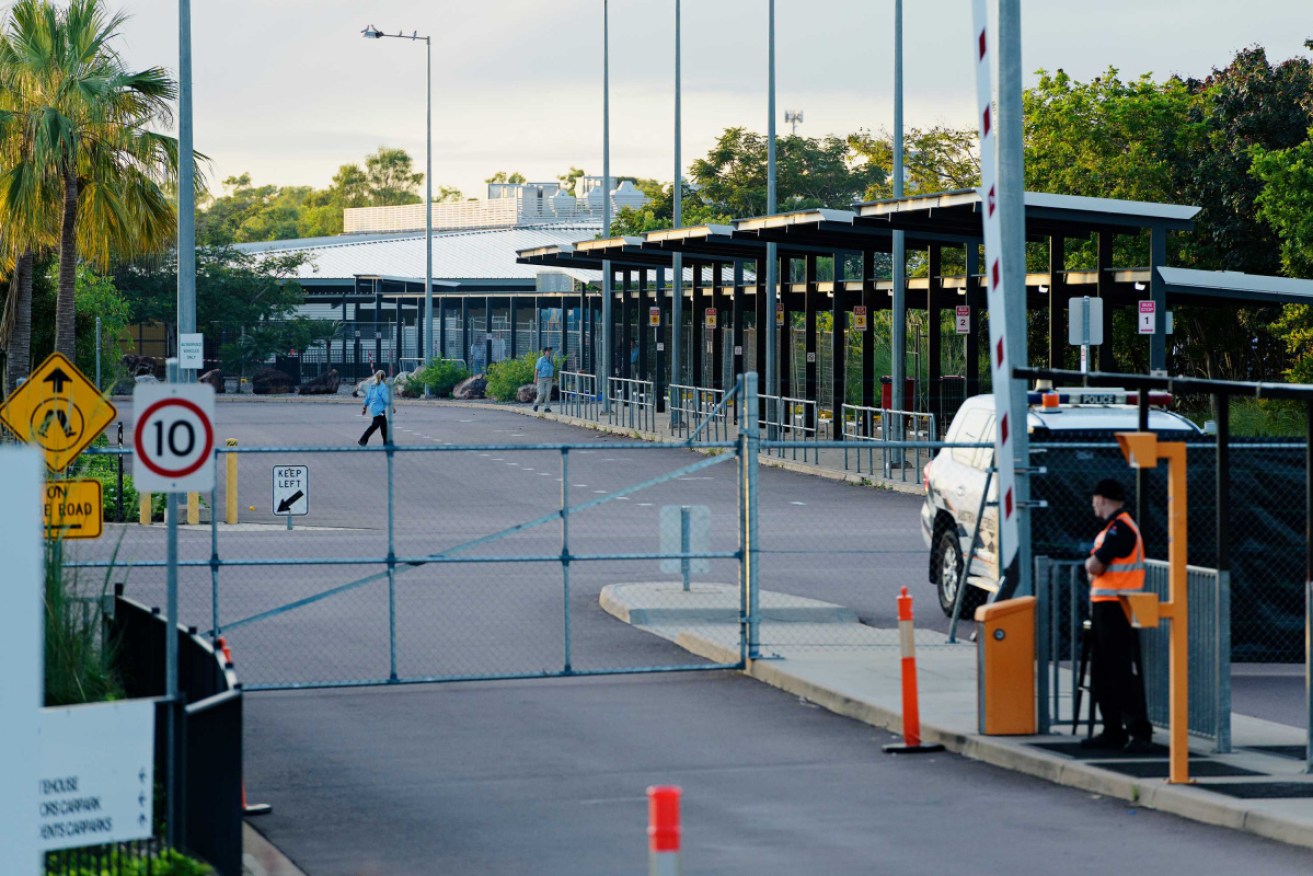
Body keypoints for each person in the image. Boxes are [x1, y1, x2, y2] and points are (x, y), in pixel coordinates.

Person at [1082, 478, 1154, 752]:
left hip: (1118, 608)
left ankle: (1138, 731)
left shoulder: (1121, 529)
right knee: (1102, 673)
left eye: (1094, 502)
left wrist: (1091, 564)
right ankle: (1113, 730)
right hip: (1106, 607)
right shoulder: (1113, 528)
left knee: (1119, 673)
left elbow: (1096, 566)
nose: (1093, 507)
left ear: (1101, 499)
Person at [358, 371, 392, 446]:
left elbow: (368, 396)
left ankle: (386, 443)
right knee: (375, 425)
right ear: (383, 377)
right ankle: (362, 440)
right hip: (379, 409)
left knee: (384, 425)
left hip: (373, 407)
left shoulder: (373, 385)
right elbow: (385, 398)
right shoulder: (382, 386)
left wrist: (364, 407)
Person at [533, 346, 555, 413]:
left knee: (548, 393)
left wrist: (554, 378)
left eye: (550, 351)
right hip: (541, 379)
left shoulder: (551, 359)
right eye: (548, 351)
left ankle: (547, 408)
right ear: (544, 352)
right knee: (542, 393)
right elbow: (536, 370)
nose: (549, 352)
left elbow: (553, 369)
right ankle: (536, 404)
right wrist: (535, 379)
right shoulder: (541, 360)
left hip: (549, 379)